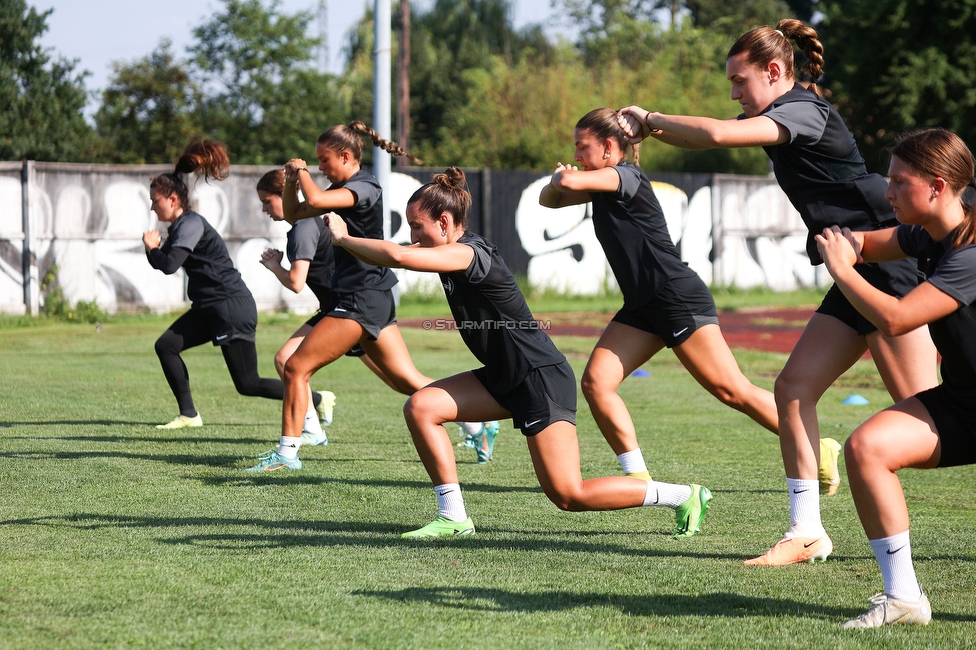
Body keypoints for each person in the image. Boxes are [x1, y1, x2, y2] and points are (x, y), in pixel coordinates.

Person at [617, 18, 938, 566]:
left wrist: (648, 118)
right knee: (792, 389)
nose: (735, 93)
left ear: (774, 72)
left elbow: (717, 134)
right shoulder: (781, 112)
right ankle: (806, 531)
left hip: (886, 267)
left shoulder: (805, 112)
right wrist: (651, 131)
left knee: (936, 417)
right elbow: (709, 132)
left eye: (740, 82)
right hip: (850, 268)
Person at [326, 166, 713, 538]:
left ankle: (683, 494)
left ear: (444, 223)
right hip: (504, 375)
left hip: (539, 377)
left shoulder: (469, 254)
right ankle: (453, 517)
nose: (412, 235)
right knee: (422, 407)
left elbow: (397, 257)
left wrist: (344, 239)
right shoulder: (448, 251)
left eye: (417, 227)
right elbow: (399, 254)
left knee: (568, 494)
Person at [540, 107, 838, 490]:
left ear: (610, 147)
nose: (578, 155)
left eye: (583, 147)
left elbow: (565, 182)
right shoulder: (600, 183)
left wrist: (562, 176)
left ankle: (822, 449)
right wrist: (559, 181)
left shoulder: (624, 177)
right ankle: (639, 477)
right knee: (597, 382)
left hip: (676, 297)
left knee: (733, 390)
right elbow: (551, 200)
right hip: (644, 306)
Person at [247, 123, 496, 471]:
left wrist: (301, 171)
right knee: (405, 381)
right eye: (316, 161)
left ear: (347, 156)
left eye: (325, 160)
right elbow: (294, 212)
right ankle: (476, 423)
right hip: (368, 297)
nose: (320, 167)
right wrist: (290, 181)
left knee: (294, 366)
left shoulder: (363, 185)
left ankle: (287, 454)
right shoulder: (339, 187)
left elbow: (314, 200)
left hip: (360, 298)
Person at [816, 128, 975, 628]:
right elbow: (865, 243)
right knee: (867, 448)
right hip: (964, 402)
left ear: (938, 185)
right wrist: (840, 241)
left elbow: (897, 320)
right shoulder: (925, 234)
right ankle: (903, 597)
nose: (887, 193)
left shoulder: (970, 253)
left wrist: (843, 271)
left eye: (898, 183)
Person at [144, 140, 286, 428]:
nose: (152, 205)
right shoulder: (179, 227)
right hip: (210, 308)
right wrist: (154, 250)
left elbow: (169, 265)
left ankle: (315, 398)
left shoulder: (191, 224)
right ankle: (189, 415)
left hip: (229, 306)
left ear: (172, 200)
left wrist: (152, 248)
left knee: (247, 383)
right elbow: (165, 262)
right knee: (166, 346)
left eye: (155, 199)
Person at [256, 168, 393, 444]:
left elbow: (296, 282)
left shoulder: (303, 227)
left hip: (348, 310)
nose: (264, 210)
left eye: (267, 201)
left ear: (285, 194)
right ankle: (312, 430)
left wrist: (274, 267)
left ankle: (308, 434)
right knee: (399, 380)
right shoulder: (306, 223)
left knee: (399, 380)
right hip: (341, 307)